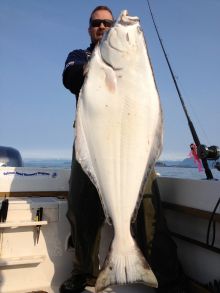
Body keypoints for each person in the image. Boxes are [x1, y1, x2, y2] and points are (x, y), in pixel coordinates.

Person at [60, 5, 188, 293]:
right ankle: (85, 274)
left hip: (133, 148)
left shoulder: (135, 64)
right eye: (97, 23)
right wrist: (94, 66)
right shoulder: (79, 57)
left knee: (149, 206)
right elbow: (70, 78)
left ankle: (168, 279)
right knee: (80, 207)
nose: (104, 27)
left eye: (108, 23)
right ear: (89, 28)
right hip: (92, 147)